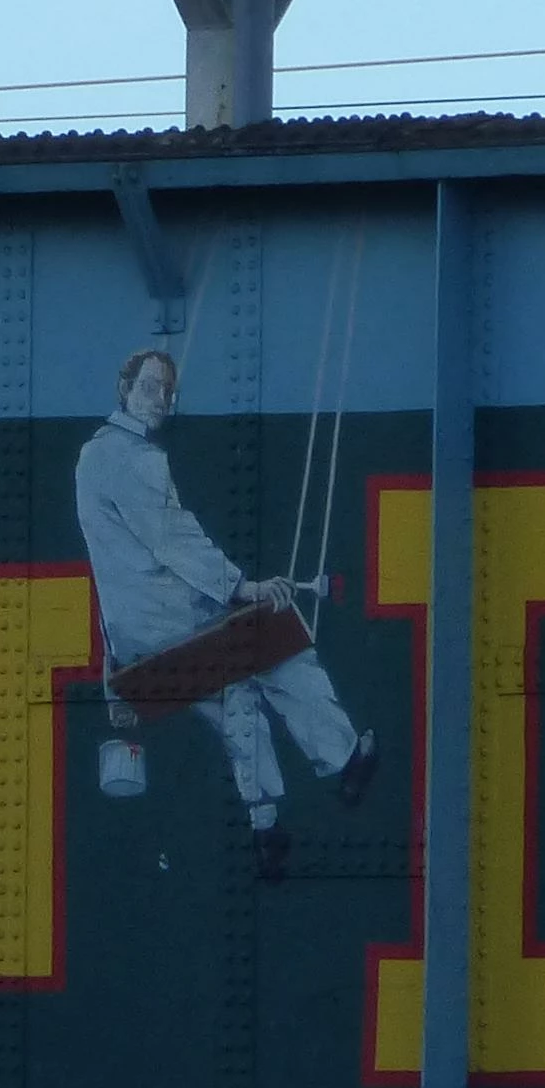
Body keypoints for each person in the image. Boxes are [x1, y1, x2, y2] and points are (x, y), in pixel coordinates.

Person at [72, 346, 375, 879]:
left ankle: (265, 823)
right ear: (125, 389)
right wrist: (244, 587)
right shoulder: (135, 458)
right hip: (173, 623)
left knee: (234, 693)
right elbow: (176, 540)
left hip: (136, 643)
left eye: (167, 390)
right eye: (150, 387)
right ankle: (345, 754)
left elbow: (111, 573)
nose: (160, 399)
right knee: (281, 639)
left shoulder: (90, 458)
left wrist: (110, 678)